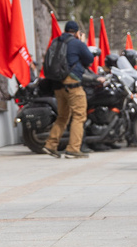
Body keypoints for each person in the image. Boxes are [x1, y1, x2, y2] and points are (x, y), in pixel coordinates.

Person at [42, 20, 97, 159]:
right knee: (79, 115)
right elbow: (89, 58)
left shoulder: (55, 42)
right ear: (77, 32)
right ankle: (73, 149)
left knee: (62, 116)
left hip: (57, 84)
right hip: (72, 84)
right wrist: (82, 42)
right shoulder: (76, 43)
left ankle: (50, 145)